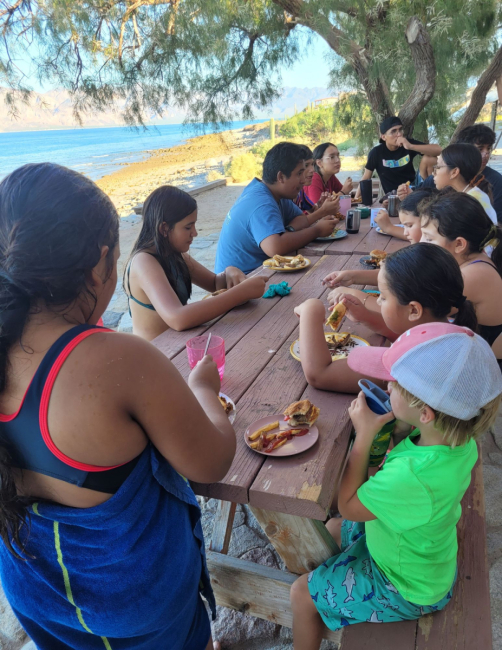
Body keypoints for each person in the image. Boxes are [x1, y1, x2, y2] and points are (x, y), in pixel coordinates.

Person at [0, 163, 233, 650]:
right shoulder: (114, 360)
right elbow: (211, 461)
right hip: (136, 605)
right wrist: (205, 391)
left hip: (37, 598)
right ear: (101, 262)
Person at [290, 322, 502, 647]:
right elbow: (396, 478)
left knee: (302, 593)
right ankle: (336, 581)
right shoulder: (459, 441)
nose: (387, 385)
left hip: (407, 586)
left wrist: (363, 435)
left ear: (426, 413)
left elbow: (349, 503)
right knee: (330, 529)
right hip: (417, 551)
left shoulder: (413, 477)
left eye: (396, 384)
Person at [294, 243, 477, 393]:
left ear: (413, 310)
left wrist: (311, 311)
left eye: (382, 296)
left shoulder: (411, 362)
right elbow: (410, 335)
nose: (379, 302)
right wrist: (366, 317)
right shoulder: (449, 331)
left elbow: (320, 374)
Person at [125, 185, 267, 341]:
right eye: (188, 227)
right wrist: (241, 293)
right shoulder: (143, 262)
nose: (195, 233)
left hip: (178, 346)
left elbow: (214, 283)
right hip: (156, 355)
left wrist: (229, 272)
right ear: (164, 228)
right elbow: (178, 318)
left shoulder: (174, 255)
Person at [214, 142, 338, 274]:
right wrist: (317, 231)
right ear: (281, 177)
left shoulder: (276, 193)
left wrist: (288, 231)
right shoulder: (261, 202)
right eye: (299, 173)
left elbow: (300, 218)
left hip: (260, 272)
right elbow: (274, 247)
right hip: (239, 282)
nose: (303, 180)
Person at [420, 189, 502, 361]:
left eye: (428, 238)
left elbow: (414, 313)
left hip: (483, 376)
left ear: (459, 244)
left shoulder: (473, 275)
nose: (421, 243)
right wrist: (356, 277)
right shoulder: (467, 263)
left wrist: (361, 302)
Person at [323, 188, 434, 292]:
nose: (405, 232)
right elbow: (396, 275)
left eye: (409, 225)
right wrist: (351, 276)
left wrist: (359, 298)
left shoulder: (433, 259)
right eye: (404, 227)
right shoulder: (422, 251)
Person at [398, 124, 502, 223]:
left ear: (455, 172)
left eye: (488, 148)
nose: (486, 153)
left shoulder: (495, 182)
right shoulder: (439, 178)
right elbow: (420, 197)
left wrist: (390, 229)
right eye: (480, 149)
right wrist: (409, 195)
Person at [355, 116, 441, 197]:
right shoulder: (376, 152)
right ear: (384, 137)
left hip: (413, 187)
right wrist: (356, 199)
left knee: (429, 159)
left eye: (400, 130)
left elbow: (439, 150)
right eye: (393, 131)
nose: (399, 134)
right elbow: (366, 178)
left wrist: (411, 146)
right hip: (393, 194)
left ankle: (432, 196)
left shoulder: (407, 144)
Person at [428, 144, 497, 224]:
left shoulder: (468, 203)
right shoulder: (469, 195)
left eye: (438, 167)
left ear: (454, 172)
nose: (433, 173)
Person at [294, 145, 341, 218]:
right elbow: (294, 225)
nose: (312, 169)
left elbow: (313, 210)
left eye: (312, 164)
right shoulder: (314, 178)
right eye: (306, 165)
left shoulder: (299, 192)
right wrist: (323, 210)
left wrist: (320, 207)